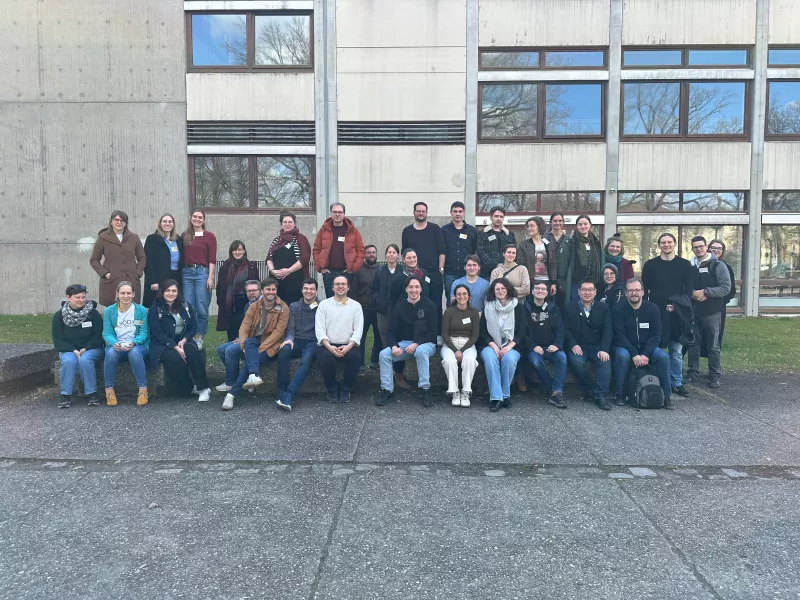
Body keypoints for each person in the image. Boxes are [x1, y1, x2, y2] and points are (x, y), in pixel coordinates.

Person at [220, 278, 289, 411]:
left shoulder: (283, 308)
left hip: (271, 346)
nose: (271, 292)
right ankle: (253, 376)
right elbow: (244, 327)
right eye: (268, 289)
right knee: (249, 341)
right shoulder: (254, 306)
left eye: (273, 289)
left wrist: (258, 351)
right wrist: (243, 347)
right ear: (263, 291)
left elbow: (278, 333)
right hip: (253, 342)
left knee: (249, 363)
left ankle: (231, 395)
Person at [641, 232, 694, 398]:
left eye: (669, 242)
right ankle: (653, 380)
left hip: (676, 314)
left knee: (676, 351)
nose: (666, 245)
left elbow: (688, 292)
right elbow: (645, 291)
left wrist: (677, 307)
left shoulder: (685, 265)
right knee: (653, 348)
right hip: (655, 312)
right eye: (663, 242)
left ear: (674, 244)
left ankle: (676, 382)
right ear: (659, 245)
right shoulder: (650, 265)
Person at [612, 277, 674, 409]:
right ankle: (619, 394)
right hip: (625, 347)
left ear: (642, 292)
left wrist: (646, 354)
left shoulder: (653, 309)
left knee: (663, 357)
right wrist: (634, 354)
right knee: (622, 356)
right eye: (630, 290)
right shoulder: (618, 309)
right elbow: (619, 335)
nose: (634, 293)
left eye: (637, 290)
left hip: (647, 348)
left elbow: (656, 334)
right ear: (626, 293)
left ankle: (667, 396)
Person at [376, 276, 438, 407]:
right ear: (406, 289)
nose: (413, 290)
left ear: (421, 289)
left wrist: (416, 343)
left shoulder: (429, 305)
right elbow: (391, 331)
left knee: (420, 351)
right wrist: (393, 346)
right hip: (405, 344)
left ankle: (425, 389)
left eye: (416, 287)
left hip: (425, 343)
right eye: (410, 287)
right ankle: (387, 390)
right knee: (384, 355)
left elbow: (433, 332)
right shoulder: (400, 307)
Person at [147, 280, 211, 402]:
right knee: (176, 358)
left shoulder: (185, 306)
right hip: (163, 343)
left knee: (193, 352)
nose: (171, 293)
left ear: (178, 292)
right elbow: (157, 333)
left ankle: (203, 388)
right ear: (162, 292)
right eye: (168, 290)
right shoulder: (155, 308)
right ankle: (190, 387)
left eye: (174, 291)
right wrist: (175, 347)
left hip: (182, 339)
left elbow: (193, 327)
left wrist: (184, 339)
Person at [687, 236, 731, 389]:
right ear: (692, 249)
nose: (698, 249)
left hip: (712, 313)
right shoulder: (690, 266)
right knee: (693, 344)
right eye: (695, 247)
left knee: (713, 346)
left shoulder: (718, 266)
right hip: (693, 312)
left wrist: (706, 292)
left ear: (706, 247)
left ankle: (714, 376)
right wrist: (693, 293)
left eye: (701, 246)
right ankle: (692, 373)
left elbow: (726, 288)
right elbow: (684, 286)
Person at [479, 278, 528, 412]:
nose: (500, 291)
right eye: (497, 289)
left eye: (503, 288)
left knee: (509, 359)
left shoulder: (518, 308)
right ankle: (496, 397)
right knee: (490, 358)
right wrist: (495, 347)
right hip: (490, 344)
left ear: (508, 290)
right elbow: (482, 332)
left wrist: (508, 347)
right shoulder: (488, 307)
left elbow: (522, 331)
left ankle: (505, 395)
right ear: (493, 292)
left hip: (512, 344)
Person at [52, 284, 104, 408]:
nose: (81, 300)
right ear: (68, 297)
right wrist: (73, 350)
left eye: (83, 297)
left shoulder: (93, 313)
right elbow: (58, 340)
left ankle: (92, 393)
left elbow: (99, 335)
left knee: (85, 360)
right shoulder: (59, 316)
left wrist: (86, 349)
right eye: (77, 297)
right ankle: (65, 395)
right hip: (69, 349)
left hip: (91, 348)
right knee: (68, 361)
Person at [563, 280, 612, 410]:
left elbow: (608, 330)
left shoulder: (604, 308)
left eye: (590, 290)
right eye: (584, 289)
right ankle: (589, 389)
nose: (587, 292)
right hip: (578, 346)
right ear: (578, 292)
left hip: (597, 346)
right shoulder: (569, 307)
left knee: (604, 361)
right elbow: (565, 329)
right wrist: (573, 344)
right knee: (577, 361)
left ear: (595, 292)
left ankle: (601, 396)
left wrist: (604, 349)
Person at [387, 248, 431, 391]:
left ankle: (423, 384)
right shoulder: (398, 278)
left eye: (414, 257)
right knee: (400, 345)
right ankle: (398, 375)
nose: (412, 260)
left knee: (420, 346)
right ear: (403, 260)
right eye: (409, 257)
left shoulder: (423, 274)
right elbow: (392, 298)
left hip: (421, 315)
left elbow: (427, 293)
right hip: (402, 317)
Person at [315, 276, 364, 403]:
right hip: (328, 344)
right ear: (332, 287)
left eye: (343, 284)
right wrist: (329, 347)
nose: (340, 286)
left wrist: (348, 347)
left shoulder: (356, 306)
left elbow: (358, 330)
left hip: (349, 345)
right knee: (325, 359)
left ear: (348, 287)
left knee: (355, 358)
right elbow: (319, 329)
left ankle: (346, 388)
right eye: (337, 284)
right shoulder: (324, 305)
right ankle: (331, 388)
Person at [274, 279, 320, 410]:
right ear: (302, 290)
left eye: (312, 289)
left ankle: (289, 394)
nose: (308, 291)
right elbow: (291, 328)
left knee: (306, 360)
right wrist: (289, 339)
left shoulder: (322, 306)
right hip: (297, 341)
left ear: (316, 291)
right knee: (284, 350)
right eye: (306, 288)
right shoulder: (294, 306)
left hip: (313, 342)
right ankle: (281, 388)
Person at [102, 281, 150, 407]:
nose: (126, 296)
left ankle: (143, 390)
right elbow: (107, 333)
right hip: (117, 345)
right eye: (122, 293)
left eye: (129, 293)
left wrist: (134, 342)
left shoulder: (141, 310)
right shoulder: (109, 311)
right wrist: (114, 343)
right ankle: (109, 390)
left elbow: (144, 333)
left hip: (137, 346)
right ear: (117, 294)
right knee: (111, 353)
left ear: (133, 294)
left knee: (134, 353)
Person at [90, 210, 146, 306]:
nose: (119, 222)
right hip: (112, 281)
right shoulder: (103, 238)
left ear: (126, 223)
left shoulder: (134, 237)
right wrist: (105, 274)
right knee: (112, 310)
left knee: (131, 309)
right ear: (111, 221)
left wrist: (137, 273)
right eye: (116, 220)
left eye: (122, 220)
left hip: (131, 280)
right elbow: (94, 260)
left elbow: (142, 257)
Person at [525, 281, 568, 409]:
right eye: (537, 288)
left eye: (543, 289)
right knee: (535, 361)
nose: (540, 291)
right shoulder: (525, 308)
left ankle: (557, 391)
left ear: (547, 292)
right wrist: (532, 345)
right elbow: (521, 331)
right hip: (534, 348)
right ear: (532, 291)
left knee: (562, 357)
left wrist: (557, 345)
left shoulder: (553, 308)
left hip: (550, 347)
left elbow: (560, 329)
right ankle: (551, 387)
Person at [215, 280, 261, 392]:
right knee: (221, 349)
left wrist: (244, 340)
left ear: (260, 291)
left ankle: (230, 382)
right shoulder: (247, 306)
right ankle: (237, 380)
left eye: (254, 290)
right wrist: (240, 338)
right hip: (247, 338)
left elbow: (261, 329)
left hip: (258, 340)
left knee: (230, 350)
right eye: (249, 291)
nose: (251, 293)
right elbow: (245, 326)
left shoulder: (264, 305)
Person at [181, 209, 217, 350]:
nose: (197, 219)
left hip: (202, 273)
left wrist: (210, 277)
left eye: (200, 217)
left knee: (202, 308)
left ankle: (200, 337)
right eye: (195, 216)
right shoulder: (185, 235)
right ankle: (190, 336)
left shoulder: (209, 236)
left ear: (204, 220)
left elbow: (212, 259)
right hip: (187, 273)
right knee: (189, 307)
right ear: (191, 218)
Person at [313, 203, 365, 299]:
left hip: (347, 272)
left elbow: (361, 251)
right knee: (331, 301)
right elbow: (316, 249)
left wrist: (353, 268)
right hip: (329, 273)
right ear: (331, 213)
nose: (337, 214)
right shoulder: (324, 230)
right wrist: (320, 267)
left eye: (340, 212)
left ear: (344, 214)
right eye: (335, 212)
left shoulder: (353, 231)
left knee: (346, 301)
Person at [401, 201, 447, 312]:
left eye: (423, 211)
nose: (421, 213)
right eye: (418, 211)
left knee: (436, 306)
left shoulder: (435, 229)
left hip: (434, 273)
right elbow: (404, 253)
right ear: (414, 213)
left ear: (426, 213)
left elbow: (442, 251)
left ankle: (436, 324)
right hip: (415, 275)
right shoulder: (407, 231)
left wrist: (441, 269)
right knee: (417, 306)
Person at [441, 284, 480, 407]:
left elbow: (474, 336)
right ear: (455, 296)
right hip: (450, 343)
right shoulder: (448, 312)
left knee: (470, 360)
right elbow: (444, 334)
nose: (461, 296)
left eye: (464, 294)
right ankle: (455, 392)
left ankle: (465, 392)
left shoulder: (474, 313)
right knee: (449, 361)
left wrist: (462, 350)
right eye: (458, 294)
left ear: (469, 296)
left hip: (468, 343)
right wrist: (455, 350)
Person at [215, 240, 260, 342]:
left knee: (246, 334)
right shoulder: (225, 266)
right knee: (231, 337)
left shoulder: (251, 266)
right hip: (230, 308)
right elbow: (220, 286)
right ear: (231, 252)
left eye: (239, 250)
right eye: (234, 250)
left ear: (244, 251)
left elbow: (256, 284)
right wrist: (220, 301)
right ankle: (231, 350)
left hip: (246, 305)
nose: (237, 252)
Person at [266, 211, 311, 306]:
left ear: (294, 224)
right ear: (281, 224)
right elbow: (269, 258)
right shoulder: (277, 240)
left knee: (294, 307)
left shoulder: (301, 238)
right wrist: (273, 271)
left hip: (295, 281)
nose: (287, 224)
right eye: (285, 222)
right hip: (277, 281)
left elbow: (304, 259)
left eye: (290, 222)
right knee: (277, 307)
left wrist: (289, 271)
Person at [557, 214, 602, 303]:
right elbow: (563, 263)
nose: (583, 226)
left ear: (590, 225)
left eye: (585, 224)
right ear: (577, 226)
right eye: (580, 224)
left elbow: (600, 260)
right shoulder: (570, 242)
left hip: (593, 283)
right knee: (576, 307)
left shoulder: (595, 242)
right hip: (576, 284)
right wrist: (561, 282)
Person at [351, 244, 381, 374]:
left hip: (378, 309)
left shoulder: (381, 270)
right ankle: (360, 364)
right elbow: (353, 289)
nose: (371, 255)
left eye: (373, 252)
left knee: (378, 336)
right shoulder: (358, 270)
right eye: (368, 252)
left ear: (376, 254)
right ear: (364, 255)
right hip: (362, 308)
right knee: (361, 337)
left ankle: (375, 362)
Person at [142, 213, 184, 308]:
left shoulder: (178, 239)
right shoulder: (152, 239)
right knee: (158, 304)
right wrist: (152, 281)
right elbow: (148, 261)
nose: (167, 224)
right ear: (160, 224)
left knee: (173, 304)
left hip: (175, 276)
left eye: (170, 221)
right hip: (159, 277)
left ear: (173, 224)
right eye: (164, 221)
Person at [441, 201, 478, 303]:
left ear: (464, 213)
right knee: (451, 299)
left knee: (467, 299)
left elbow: (475, 251)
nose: (457, 214)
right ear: (451, 213)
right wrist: (441, 268)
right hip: (449, 272)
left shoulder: (472, 231)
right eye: (455, 211)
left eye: (460, 211)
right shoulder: (443, 230)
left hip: (466, 272)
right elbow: (441, 250)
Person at [372, 244, 403, 354]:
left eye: (394, 252)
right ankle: (386, 361)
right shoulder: (380, 271)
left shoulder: (402, 271)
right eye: (389, 252)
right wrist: (378, 300)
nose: (391, 255)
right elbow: (374, 289)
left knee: (398, 337)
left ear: (398, 256)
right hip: (383, 311)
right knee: (384, 338)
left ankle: (398, 363)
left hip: (399, 311)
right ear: (385, 255)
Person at [517, 216, 557, 297]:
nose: (529, 228)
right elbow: (521, 265)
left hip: (547, 281)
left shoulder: (548, 243)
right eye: (528, 226)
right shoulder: (524, 245)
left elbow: (553, 263)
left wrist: (553, 282)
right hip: (531, 282)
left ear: (539, 227)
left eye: (532, 226)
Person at [708, 240, 737, 347]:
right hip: (702, 303)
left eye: (719, 248)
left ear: (723, 251)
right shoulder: (701, 265)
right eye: (713, 248)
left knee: (717, 332)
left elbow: (731, 289)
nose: (716, 250)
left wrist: (721, 301)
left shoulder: (726, 267)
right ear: (708, 249)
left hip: (718, 305)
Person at [477, 206, 516, 279]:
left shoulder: (509, 234)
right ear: (491, 217)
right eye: (496, 216)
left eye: (501, 217)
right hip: (487, 273)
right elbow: (481, 252)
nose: (499, 219)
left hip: (506, 272)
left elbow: (513, 252)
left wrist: (504, 265)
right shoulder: (482, 233)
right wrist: (495, 265)